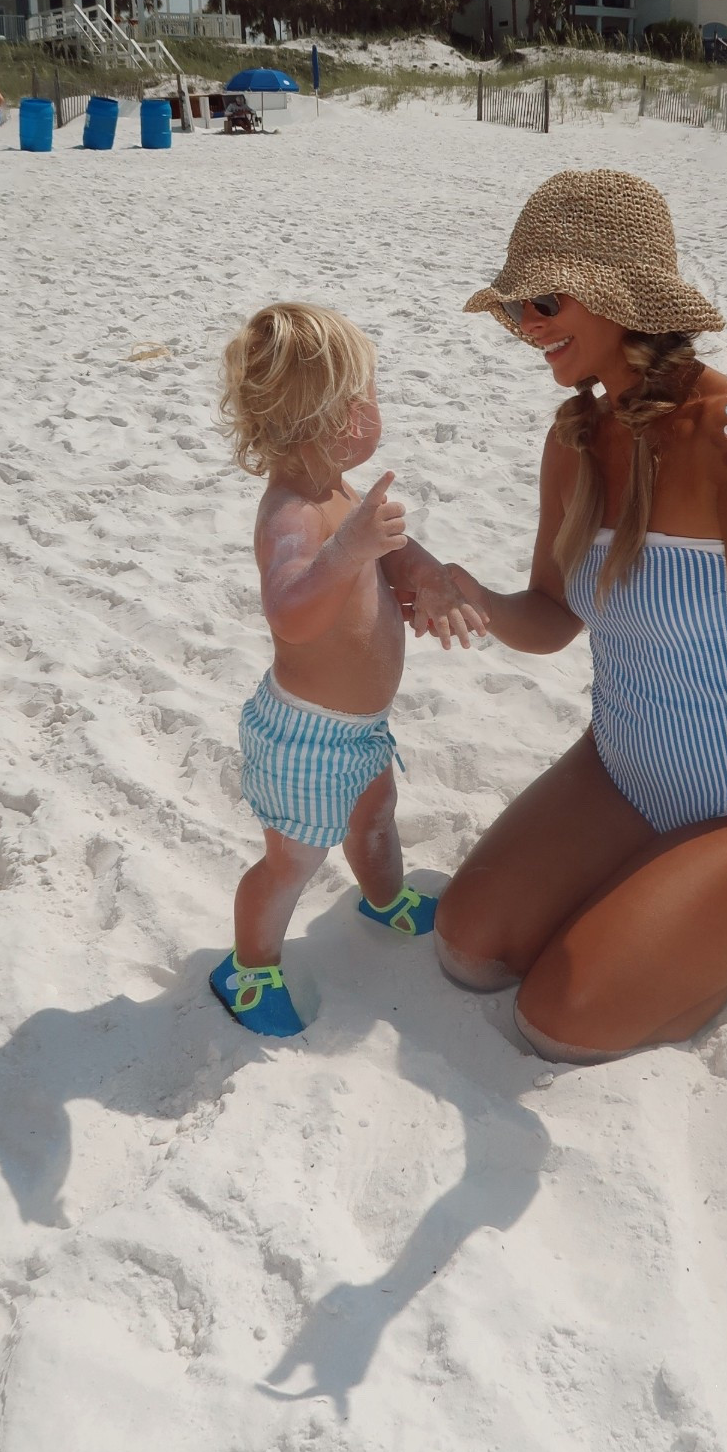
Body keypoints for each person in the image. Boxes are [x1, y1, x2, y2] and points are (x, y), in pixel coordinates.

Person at [431, 170, 727, 1064]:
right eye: (516, 311)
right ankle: (660, 902)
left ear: (619, 296)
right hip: (623, 767)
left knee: (557, 1024)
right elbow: (552, 616)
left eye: (544, 300)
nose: (529, 326)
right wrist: (478, 602)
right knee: (470, 949)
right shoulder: (575, 437)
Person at [212, 302, 486, 1037]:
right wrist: (346, 553)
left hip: (362, 729)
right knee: (290, 863)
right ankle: (250, 964)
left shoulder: (340, 493)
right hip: (305, 734)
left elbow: (396, 550)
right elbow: (290, 611)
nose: (373, 410)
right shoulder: (293, 511)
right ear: (316, 417)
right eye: (360, 398)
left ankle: (383, 895)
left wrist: (423, 575)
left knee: (374, 818)